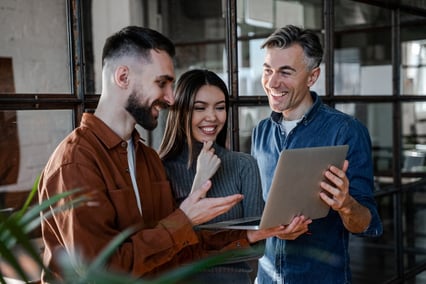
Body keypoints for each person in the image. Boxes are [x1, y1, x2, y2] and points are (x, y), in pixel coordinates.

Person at [37, 26, 309, 283]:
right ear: (123, 77)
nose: (170, 98)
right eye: (161, 83)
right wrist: (185, 218)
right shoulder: (75, 162)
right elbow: (101, 273)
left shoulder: (147, 159)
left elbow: (177, 249)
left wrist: (253, 235)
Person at [251, 25, 383, 283]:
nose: (272, 82)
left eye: (285, 72)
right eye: (268, 70)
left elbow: (368, 223)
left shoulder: (346, 131)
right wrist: (270, 229)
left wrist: (346, 205)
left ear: (312, 77)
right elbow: (259, 211)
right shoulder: (261, 132)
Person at [159, 69, 265, 283]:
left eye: (220, 108)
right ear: (181, 111)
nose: (212, 117)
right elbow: (165, 249)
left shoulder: (244, 165)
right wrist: (200, 182)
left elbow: (257, 247)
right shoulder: (160, 169)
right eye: (200, 108)